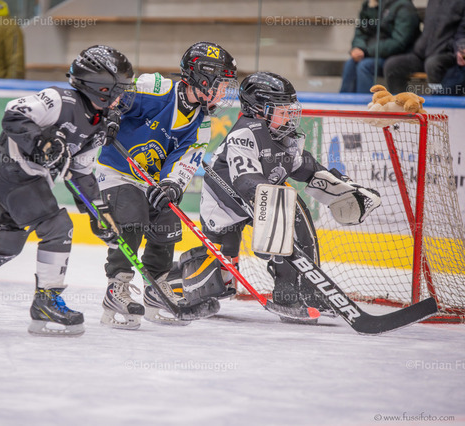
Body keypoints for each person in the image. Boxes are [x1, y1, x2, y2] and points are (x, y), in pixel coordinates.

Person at [0, 45, 135, 336]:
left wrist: (99, 212)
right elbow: (14, 114)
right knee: (58, 227)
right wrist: (42, 141)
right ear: (100, 88)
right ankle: (46, 300)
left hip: (25, 177)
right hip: (11, 170)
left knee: (6, 244)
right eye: (119, 90)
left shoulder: (99, 125)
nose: (123, 97)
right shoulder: (59, 100)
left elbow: (81, 173)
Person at [172, 72, 382, 323]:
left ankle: (295, 292)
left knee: (295, 216)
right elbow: (245, 180)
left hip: (260, 198)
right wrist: (269, 214)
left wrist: (345, 189)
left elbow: (306, 169)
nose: (290, 116)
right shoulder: (245, 133)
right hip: (223, 206)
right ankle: (173, 280)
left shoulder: (285, 136)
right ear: (259, 111)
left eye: (290, 110)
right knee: (218, 282)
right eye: (283, 111)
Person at [95, 41, 238, 329]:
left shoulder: (202, 123)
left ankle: (156, 288)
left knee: (168, 224)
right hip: (116, 171)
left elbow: (185, 159)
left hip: (150, 180)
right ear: (202, 78)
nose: (224, 92)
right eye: (221, 84)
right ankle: (116, 287)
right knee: (131, 220)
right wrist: (110, 116)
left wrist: (172, 185)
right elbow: (115, 96)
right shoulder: (156, 88)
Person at [384, 0, 465, 94]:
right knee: (393, 65)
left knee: (432, 65)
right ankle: (401, 101)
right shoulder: (433, 2)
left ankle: (437, 101)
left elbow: (461, 33)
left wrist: (459, 49)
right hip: (423, 54)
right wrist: (419, 47)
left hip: (447, 54)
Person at [340, 0, 419, 93]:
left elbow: (399, 42)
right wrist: (358, 48)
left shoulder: (403, 6)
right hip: (373, 53)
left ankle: (366, 101)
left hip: (397, 57)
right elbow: (361, 32)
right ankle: (344, 101)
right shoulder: (370, 4)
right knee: (350, 64)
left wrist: (366, 51)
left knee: (364, 66)